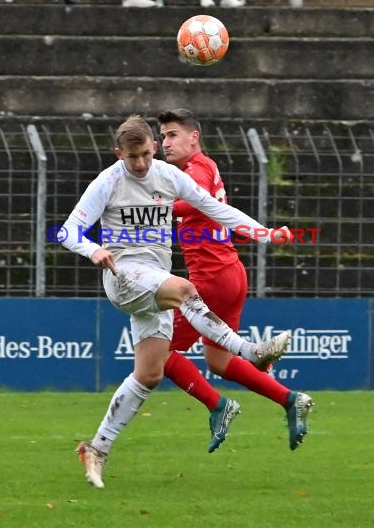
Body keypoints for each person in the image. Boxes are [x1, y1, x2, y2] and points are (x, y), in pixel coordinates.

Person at [59, 115, 292, 488]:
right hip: (124, 276)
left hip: (153, 276)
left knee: (149, 374)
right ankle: (249, 352)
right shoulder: (108, 181)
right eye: (131, 157)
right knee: (185, 290)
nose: (140, 164)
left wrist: (264, 233)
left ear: (153, 147)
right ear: (120, 153)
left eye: (146, 154)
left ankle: (96, 448)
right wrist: (93, 250)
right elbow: (68, 230)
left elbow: (217, 210)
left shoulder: (168, 175)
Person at [158, 108, 314, 454]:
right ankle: (290, 399)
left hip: (210, 280)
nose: (164, 144)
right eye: (163, 137)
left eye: (172, 135)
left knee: (158, 351)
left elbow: (189, 202)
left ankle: (218, 405)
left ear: (193, 136)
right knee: (218, 361)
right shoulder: (204, 167)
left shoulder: (196, 170)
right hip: (230, 274)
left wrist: (150, 203)